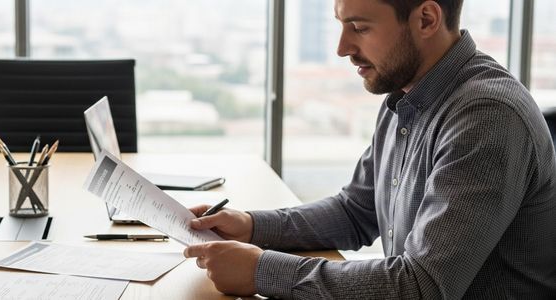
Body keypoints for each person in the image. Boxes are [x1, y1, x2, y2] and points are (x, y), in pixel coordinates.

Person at [184, 0, 556, 298]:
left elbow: (422, 286)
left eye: (359, 27)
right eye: (341, 24)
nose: (342, 48)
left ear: (426, 19)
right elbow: (354, 211)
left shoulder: (486, 117)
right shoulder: (406, 95)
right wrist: (252, 225)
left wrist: (262, 271)